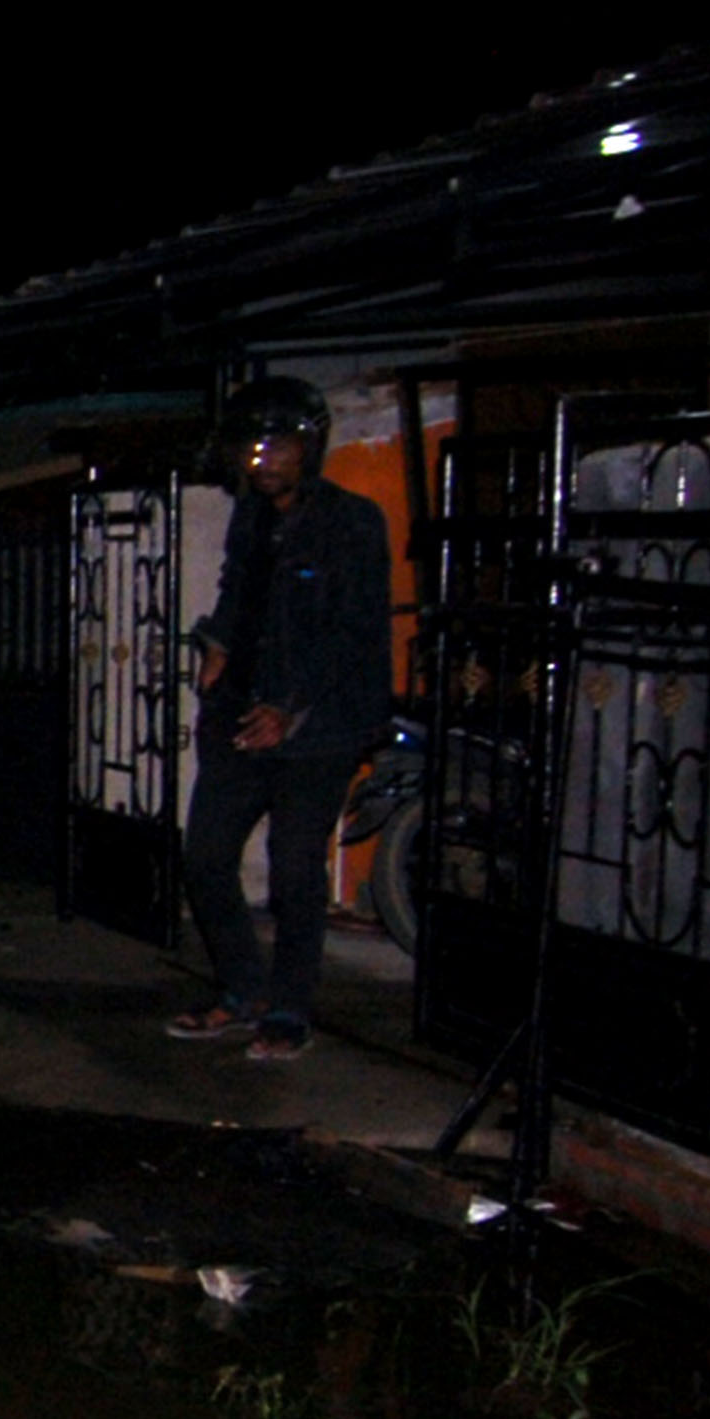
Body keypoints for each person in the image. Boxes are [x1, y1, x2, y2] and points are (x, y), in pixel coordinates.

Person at [168, 378, 396, 1063]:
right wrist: (217, 643)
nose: (263, 460)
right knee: (205, 856)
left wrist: (290, 708)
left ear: (311, 445)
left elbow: (353, 632)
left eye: (279, 445)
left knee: (294, 868)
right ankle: (243, 989)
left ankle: (290, 1010)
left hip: (318, 725)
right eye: (252, 447)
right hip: (241, 712)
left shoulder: (352, 521)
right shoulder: (250, 517)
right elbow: (239, 592)